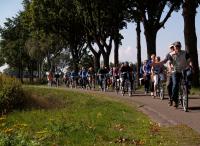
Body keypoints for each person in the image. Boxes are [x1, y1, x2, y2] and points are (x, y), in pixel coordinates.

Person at [154, 41, 192, 108]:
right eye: (176, 46)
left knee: (189, 74)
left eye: (179, 46)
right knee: (175, 85)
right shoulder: (170, 54)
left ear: (180, 46)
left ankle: (187, 87)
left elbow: (189, 61)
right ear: (174, 47)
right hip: (175, 71)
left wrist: (191, 65)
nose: (177, 47)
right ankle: (174, 99)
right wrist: (158, 63)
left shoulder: (185, 53)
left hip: (184, 69)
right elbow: (165, 61)